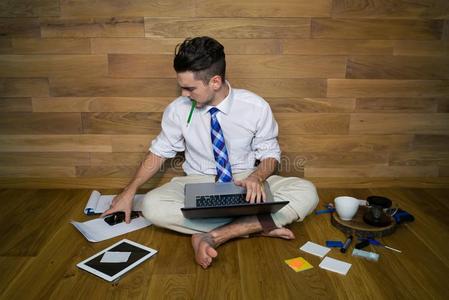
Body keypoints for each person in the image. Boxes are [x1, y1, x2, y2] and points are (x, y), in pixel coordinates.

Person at [102, 36, 319, 269]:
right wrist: (129, 192)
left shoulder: (255, 106)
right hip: (197, 182)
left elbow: (270, 153)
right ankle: (257, 225)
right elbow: (159, 152)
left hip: (246, 181)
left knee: (307, 192)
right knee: (152, 206)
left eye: (189, 88)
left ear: (215, 81)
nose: (184, 94)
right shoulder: (178, 110)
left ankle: (213, 236)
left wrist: (256, 177)